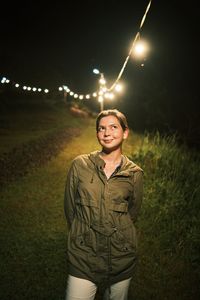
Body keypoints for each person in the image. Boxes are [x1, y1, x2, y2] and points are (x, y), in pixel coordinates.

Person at [64, 109, 143, 300]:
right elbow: (70, 209)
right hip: (83, 254)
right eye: (101, 128)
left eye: (113, 127)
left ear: (125, 132)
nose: (107, 133)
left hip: (121, 256)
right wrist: (82, 233)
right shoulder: (80, 165)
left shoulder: (135, 173)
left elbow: (133, 212)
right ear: (97, 133)